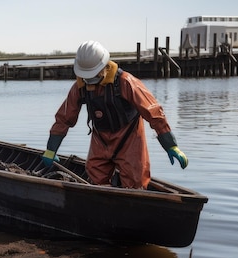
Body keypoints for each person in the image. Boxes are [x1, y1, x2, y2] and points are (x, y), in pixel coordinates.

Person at [42, 40, 188, 189]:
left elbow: (154, 113)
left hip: (129, 137)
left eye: (93, 75)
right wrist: (51, 149)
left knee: (135, 181)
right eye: (86, 77)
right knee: (95, 178)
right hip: (101, 138)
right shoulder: (80, 87)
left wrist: (171, 145)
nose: (89, 81)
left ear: (104, 67)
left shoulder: (126, 82)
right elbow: (64, 118)